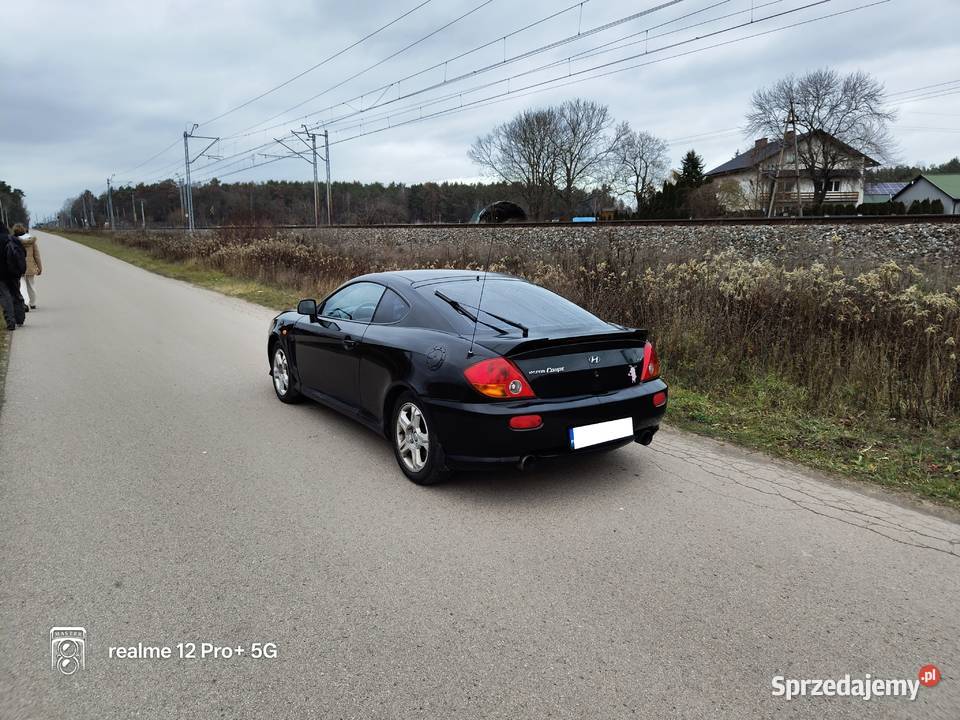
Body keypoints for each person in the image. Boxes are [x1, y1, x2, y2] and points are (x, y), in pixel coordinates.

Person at [0, 221, 26, 329]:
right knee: (16, 294)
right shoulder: (12, 239)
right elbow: (23, 253)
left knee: (5, 297)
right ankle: (20, 319)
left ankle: (11, 322)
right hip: (13, 272)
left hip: (1, 274)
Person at [12, 223, 41, 309]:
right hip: (30, 267)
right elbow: (36, 256)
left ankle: (25, 303)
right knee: (31, 285)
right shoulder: (31, 240)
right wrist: (39, 267)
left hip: (18, 266)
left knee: (22, 285)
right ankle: (33, 303)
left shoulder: (13, 241)